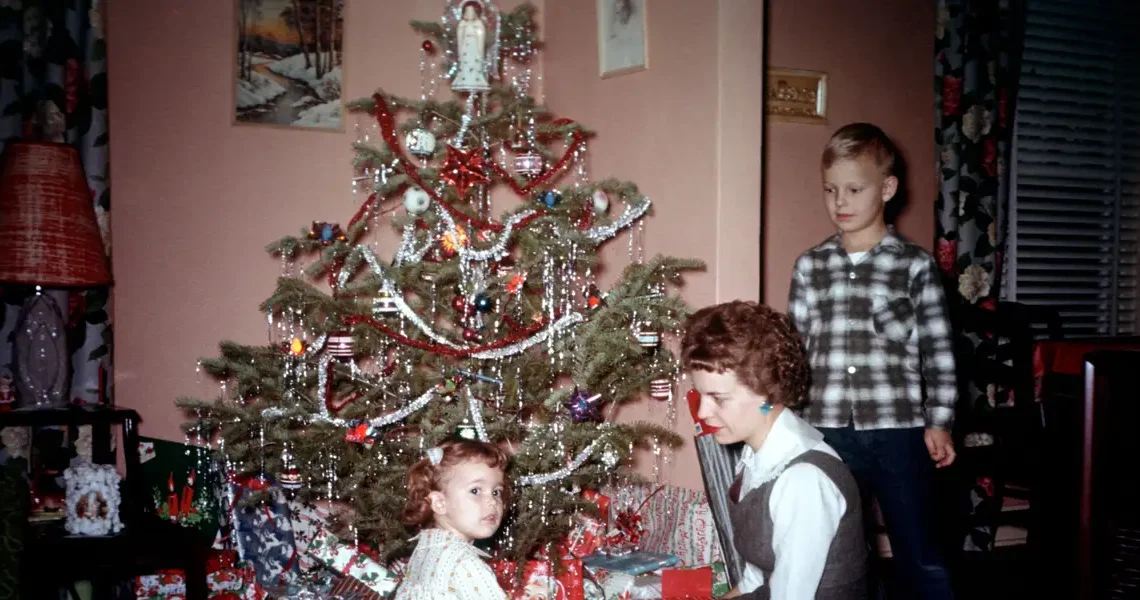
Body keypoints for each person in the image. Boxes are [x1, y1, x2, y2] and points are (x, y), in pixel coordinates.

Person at [788, 122, 958, 599]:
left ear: (887, 188)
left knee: (919, 548)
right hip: (827, 429)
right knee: (841, 549)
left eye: (854, 189)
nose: (840, 201)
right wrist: (790, 421)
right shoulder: (810, 267)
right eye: (830, 190)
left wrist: (939, 421)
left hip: (899, 430)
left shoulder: (915, 266)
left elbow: (939, 350)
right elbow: (794, 351)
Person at [682, 301, 867, 600]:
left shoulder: (803, 481)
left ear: (768, 394)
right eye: (700, 394)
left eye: (719, 398)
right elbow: (757, 576)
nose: (702, 412)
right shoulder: (758, 457)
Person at [395, 438, 510, 600]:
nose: (493, 501)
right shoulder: (465, 564)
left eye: (496, 492)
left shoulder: (424, 550)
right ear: (440, 503)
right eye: (476, 491)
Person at [452, 1, 489, 92]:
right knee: (466, 62)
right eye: (467, 12)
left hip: (474, 46)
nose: (470, 14)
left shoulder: (479, 24)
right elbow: (460, 37)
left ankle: (477, 79)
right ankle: (464, 79)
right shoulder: (462, 24)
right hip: (466, 46)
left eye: (472, 12)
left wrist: (480, 52)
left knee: (474, 62)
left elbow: (481, 37)